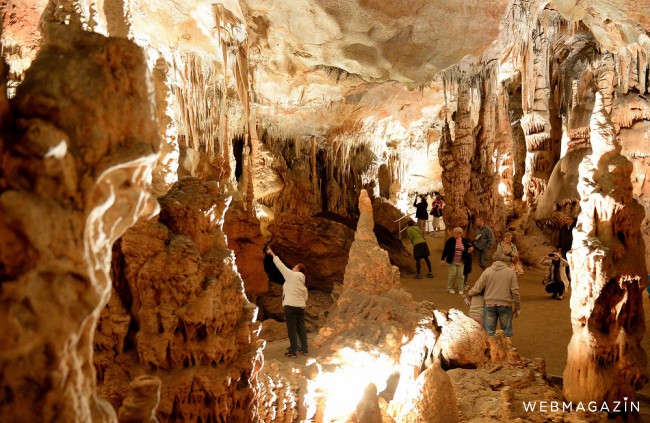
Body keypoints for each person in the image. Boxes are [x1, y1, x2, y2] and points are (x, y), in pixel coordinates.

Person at [464, 252, 521, 337]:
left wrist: (469, 294)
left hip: (489, 305)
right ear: (504, 260)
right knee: (506, 332)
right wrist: (517, 308)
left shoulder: (487, 271)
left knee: (489, 332)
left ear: (493, 260)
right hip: (505, 305)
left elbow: (478, 287)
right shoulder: (510, 272)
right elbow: (515, 291)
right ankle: (507, 347)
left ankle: (492, 348)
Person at [266, 246, 309, 358]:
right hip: (300, 307)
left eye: (295, 267)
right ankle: (304, 349)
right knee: (301, 328)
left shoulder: (292, 276)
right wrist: (300, 304)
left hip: (290, 306)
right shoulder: (303, 282)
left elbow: (280, 266)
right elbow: (305, 296)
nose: (293, 267)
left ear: (298, 270)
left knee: (292, 329)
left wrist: (272, 253)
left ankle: (293, 352)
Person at [441, 227, 473, 294]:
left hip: (461, 261)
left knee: (461, 275)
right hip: (452, 261)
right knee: (452, 275)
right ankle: (450, 288)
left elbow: (467, 246)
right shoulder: (450, 240)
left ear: (460, 234)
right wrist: (442, 259)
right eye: (454, 233)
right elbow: (445, 250)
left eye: (456, 233)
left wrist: (470, 247)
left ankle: (461, 289)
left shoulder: (463, 240)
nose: (454, 235)